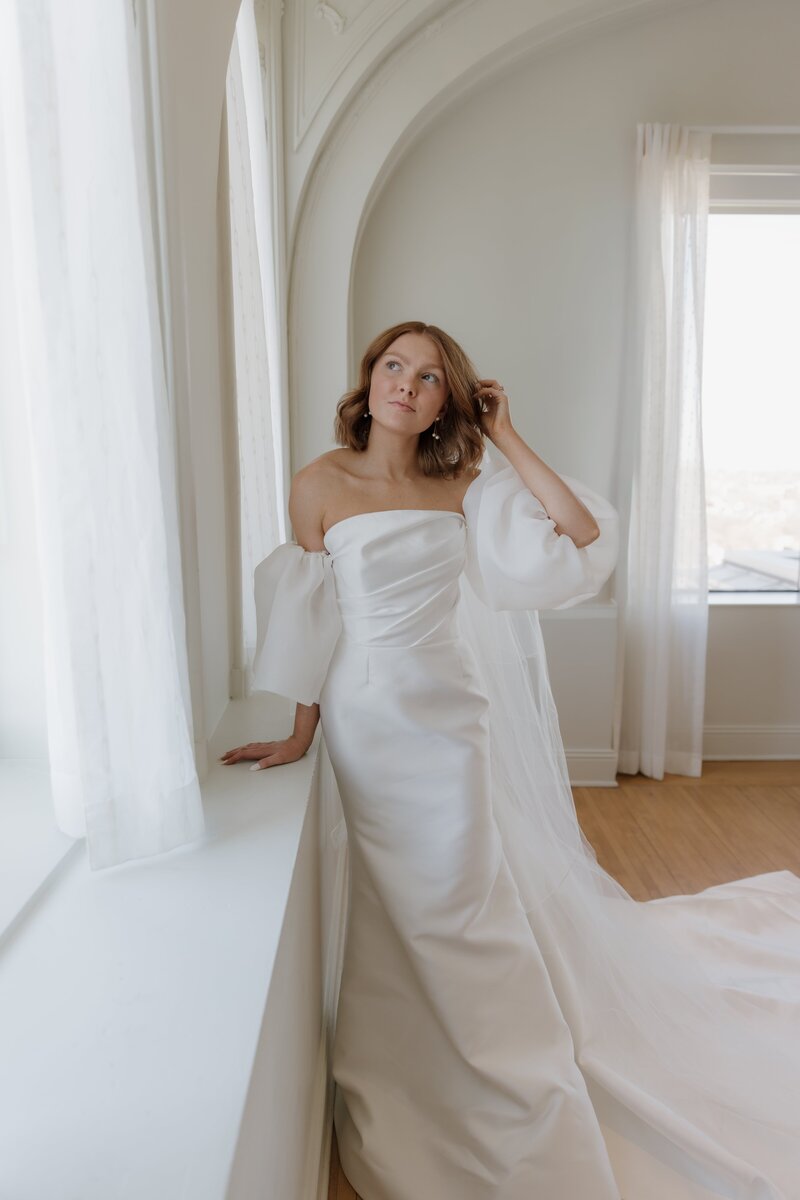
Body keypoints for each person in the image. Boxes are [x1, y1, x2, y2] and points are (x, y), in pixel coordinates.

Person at [222, 321, 800, 1200]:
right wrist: (301, 732)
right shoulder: (319, 483)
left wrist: (506, 435)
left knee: (464, 893)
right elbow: (311, 612)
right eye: (392, 367)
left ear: (447, 402)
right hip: (368, 719)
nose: (405, 385)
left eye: (428, 378)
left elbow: (577, 533)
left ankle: (512, 1076)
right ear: (369, 380)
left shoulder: (461, 479)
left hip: (452, 714)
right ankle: (413, 1067)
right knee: (400, 897)